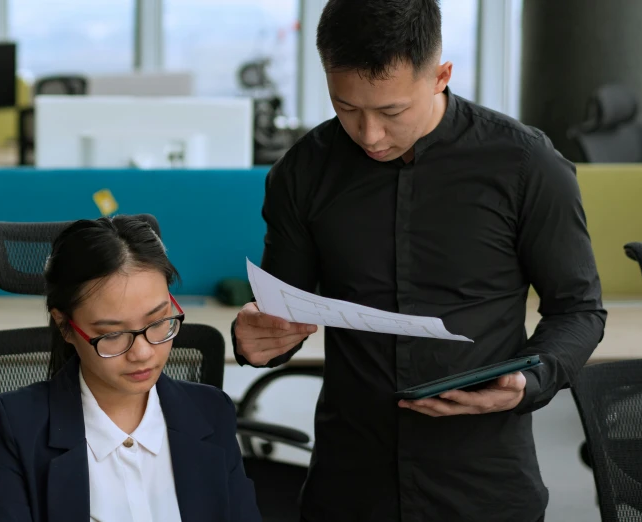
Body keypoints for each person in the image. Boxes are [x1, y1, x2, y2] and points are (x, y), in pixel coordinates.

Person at [232, 0, 607, 521]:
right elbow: (279, 312)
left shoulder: (527, 165)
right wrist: (257, 339)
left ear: (441, 76)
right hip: (349, 487)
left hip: (484, 486)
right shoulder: (303, 171)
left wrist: (532, 379)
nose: (369, 135)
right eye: (346, 108)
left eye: (391, 112)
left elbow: (579, 310)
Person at [0, 216, 261, 522]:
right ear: (65, 326)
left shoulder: (212, 412)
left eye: (159, 321)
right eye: (113, 335)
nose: (143, 353)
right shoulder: (16, 427)